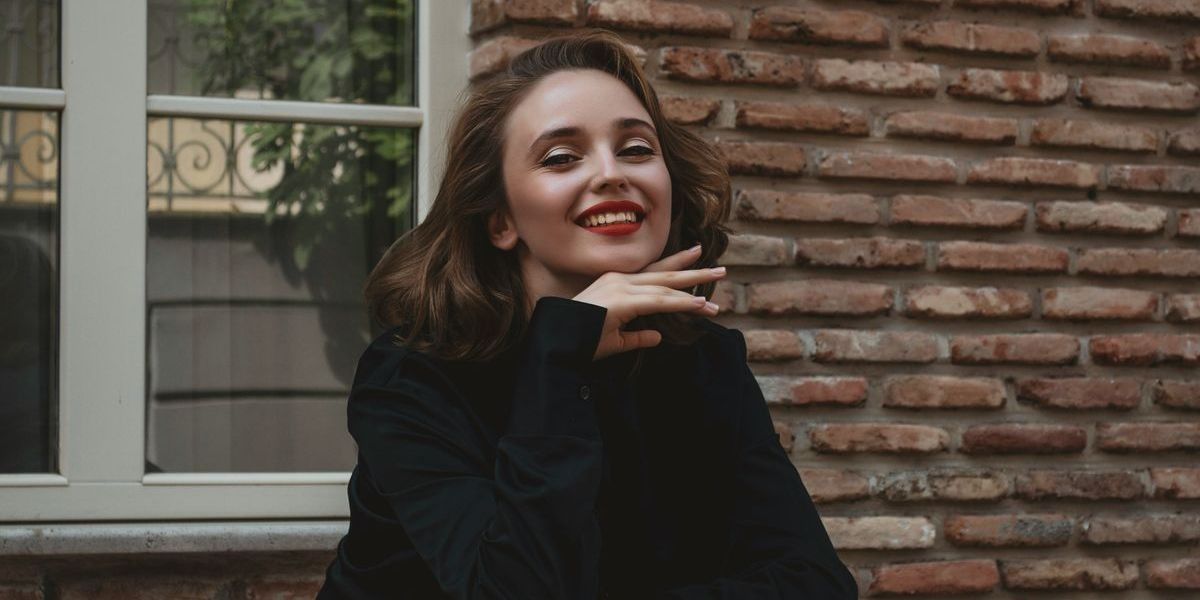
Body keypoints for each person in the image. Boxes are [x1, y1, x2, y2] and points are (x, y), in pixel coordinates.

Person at [318, 29, 857, 599]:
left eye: (636, 149)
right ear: (500, 220)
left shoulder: (704, 360)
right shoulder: (410, 377)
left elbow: (817, 585)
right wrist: (560, 356)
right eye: (561, 157)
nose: (611, 173)